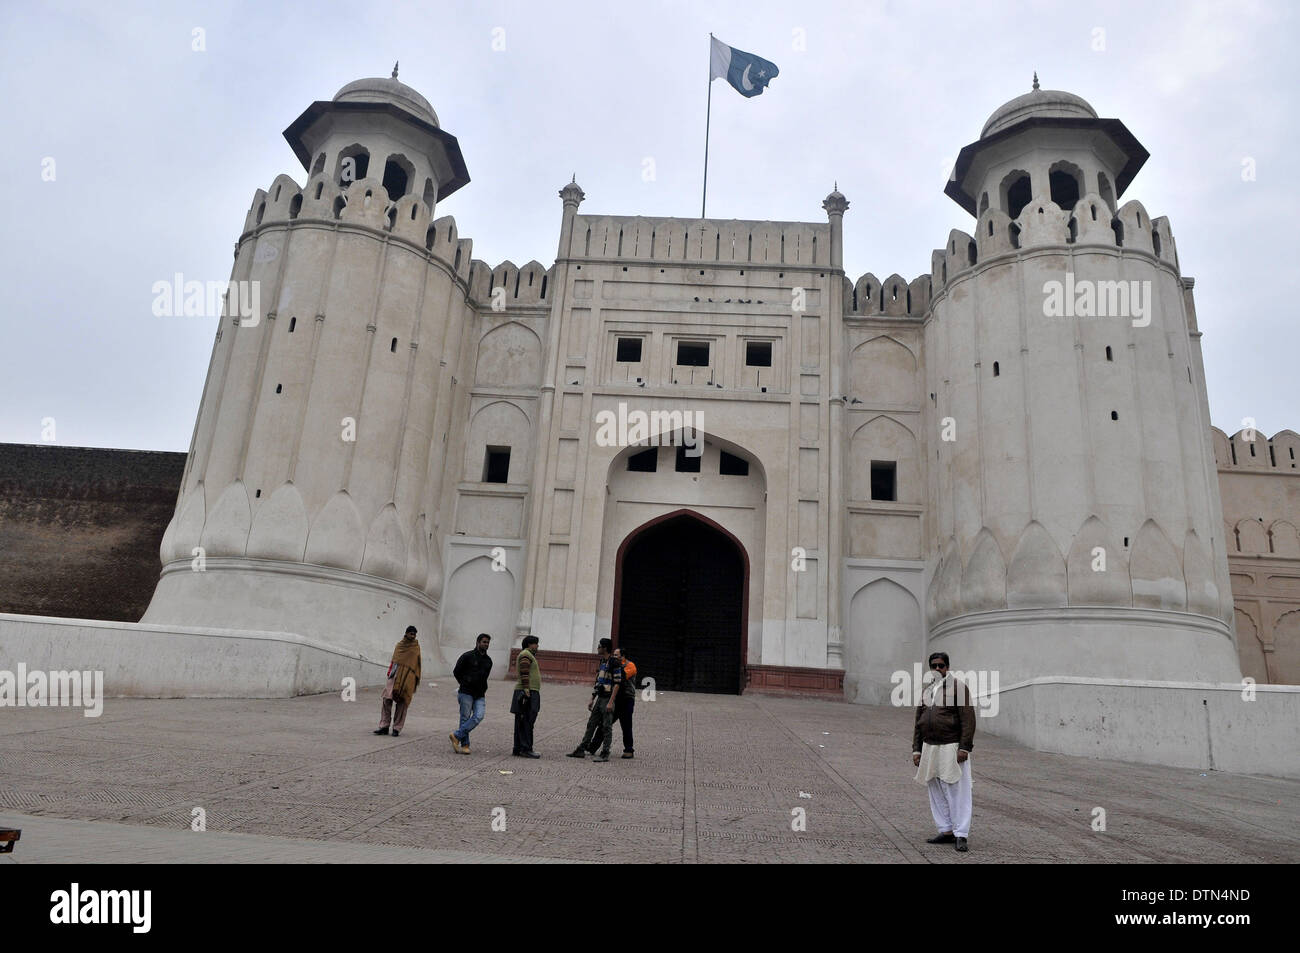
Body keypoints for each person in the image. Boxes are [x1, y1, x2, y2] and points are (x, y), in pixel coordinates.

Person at [911, 651, 976, 853]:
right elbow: (918, 722)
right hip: (930, 746)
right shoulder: (927, 690)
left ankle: (961, 834)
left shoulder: (959, 688)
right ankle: (946, 830)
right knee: (935, 788)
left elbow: (968, 720)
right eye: (934, 666)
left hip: (952, 745)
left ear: (947, 667)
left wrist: (964, 747)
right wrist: (916, 749)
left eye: (941, 665)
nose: (937, 669)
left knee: (957, 790)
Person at [567, 638, 623, 763]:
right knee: (591, 723)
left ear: (604, 648)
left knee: (606, 726)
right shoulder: (603, 661)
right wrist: (592, 698)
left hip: (608, 697)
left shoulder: (614, 662)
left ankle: (605, 752)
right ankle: (582, 748)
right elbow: (599, 682)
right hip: (600, 697)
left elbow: (617, 684)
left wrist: (610, 702)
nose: (597, 648)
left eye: (599, 646)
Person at [587, 648, 636, 758]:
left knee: (626, 725)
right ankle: (592, 747)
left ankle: (629, 750)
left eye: (616, 655)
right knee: (603, 723)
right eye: (613, 655)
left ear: (623, 657)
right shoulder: (611, 664)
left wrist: (614, 668)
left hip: (626, 699)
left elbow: (621, 678)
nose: (613, 657)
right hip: (613, 698)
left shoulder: (630, 666)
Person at [374, 625, 421, 737]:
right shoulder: (399, 646)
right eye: (410, 633)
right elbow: (394, 660)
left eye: (414, 634)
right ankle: (384, 726)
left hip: (407, 678)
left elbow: (417, 666)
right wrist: (389, 673)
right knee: (387, 699)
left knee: (402, 702)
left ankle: (397, 728)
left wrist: (413, 681)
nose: (412, 635)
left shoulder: (415, 648)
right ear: (406, 633)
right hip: (394, 676)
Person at [450, 633, 492, 754]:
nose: (486, 644)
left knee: (479, 716)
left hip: (480, 694)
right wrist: (464, 683)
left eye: (488, 642)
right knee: (465, 717)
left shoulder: (488, 661)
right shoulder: (467, 656)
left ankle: (456, 735)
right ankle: (465, 745)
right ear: (478, 642)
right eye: (484, 642)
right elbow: (457, 671)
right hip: (466, 692)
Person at [511, 636, 542, 758]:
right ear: (530, 644)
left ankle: (518, 748)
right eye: (536, 644)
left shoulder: (527, 654)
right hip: (527, 692)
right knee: (527, 721)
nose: (538, 646)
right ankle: (526, 748)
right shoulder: (526, 655)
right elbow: (524, 673)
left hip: (525, 690)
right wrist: (527, 690)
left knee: (521, 721)